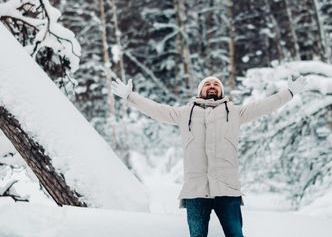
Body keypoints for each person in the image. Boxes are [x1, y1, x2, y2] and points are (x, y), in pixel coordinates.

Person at [112, 75, 308, 237]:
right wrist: (130, 96)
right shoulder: (184, 113)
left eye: (216, 84)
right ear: (200, 91)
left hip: (227, 189)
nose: (212, 87)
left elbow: (265, 106)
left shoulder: (235, 113)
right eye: (208, 84)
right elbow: (156, 110)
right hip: (196, 191)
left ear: (221, 91)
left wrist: (289, 93)